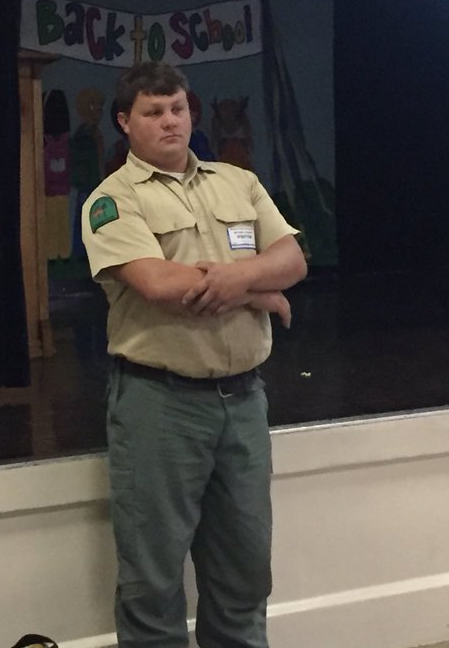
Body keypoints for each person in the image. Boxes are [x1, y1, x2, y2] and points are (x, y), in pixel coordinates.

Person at [81, 61, 306, 648]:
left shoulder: (238, 182)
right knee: (152, 582)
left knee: (245, 572)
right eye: (153, 112)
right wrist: (258, 291)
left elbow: (292, 260)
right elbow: (158, 284)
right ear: (125, 122)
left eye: (177, 108)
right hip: (161, 405)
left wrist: (239, 280)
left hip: (244, 402)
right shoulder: (112, 200)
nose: (170, 121)